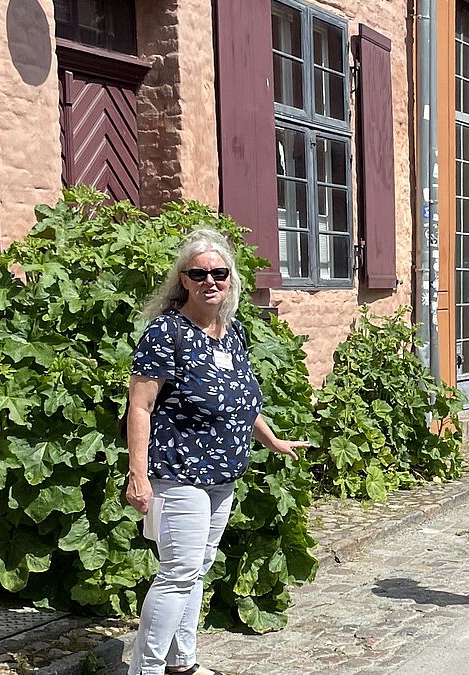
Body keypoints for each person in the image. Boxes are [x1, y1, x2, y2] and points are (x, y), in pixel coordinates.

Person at [125, 230, 309, 675]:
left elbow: (241, 401)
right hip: (178, 472)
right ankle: (144, 670)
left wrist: (273, 441)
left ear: (230, 279)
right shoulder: (167, 332)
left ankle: (182, 664)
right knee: (177, 574)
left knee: (197, 570)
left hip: (223, 476)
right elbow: (140, 405)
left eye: (219, 273)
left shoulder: (233, 334)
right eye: (199, 273)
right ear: (184, 280)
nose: (210, 281)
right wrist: (138, 474)